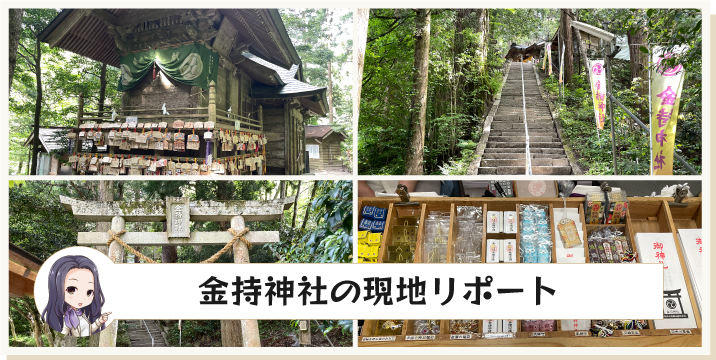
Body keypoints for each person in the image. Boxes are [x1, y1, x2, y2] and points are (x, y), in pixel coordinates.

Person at [41, 255, 111, 336]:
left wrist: (99, 321)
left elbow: (88, 330)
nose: (81, 298)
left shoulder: (82, 314)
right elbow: (63, 334)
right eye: (71, 290)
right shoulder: (68, 317)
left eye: (89, 292)